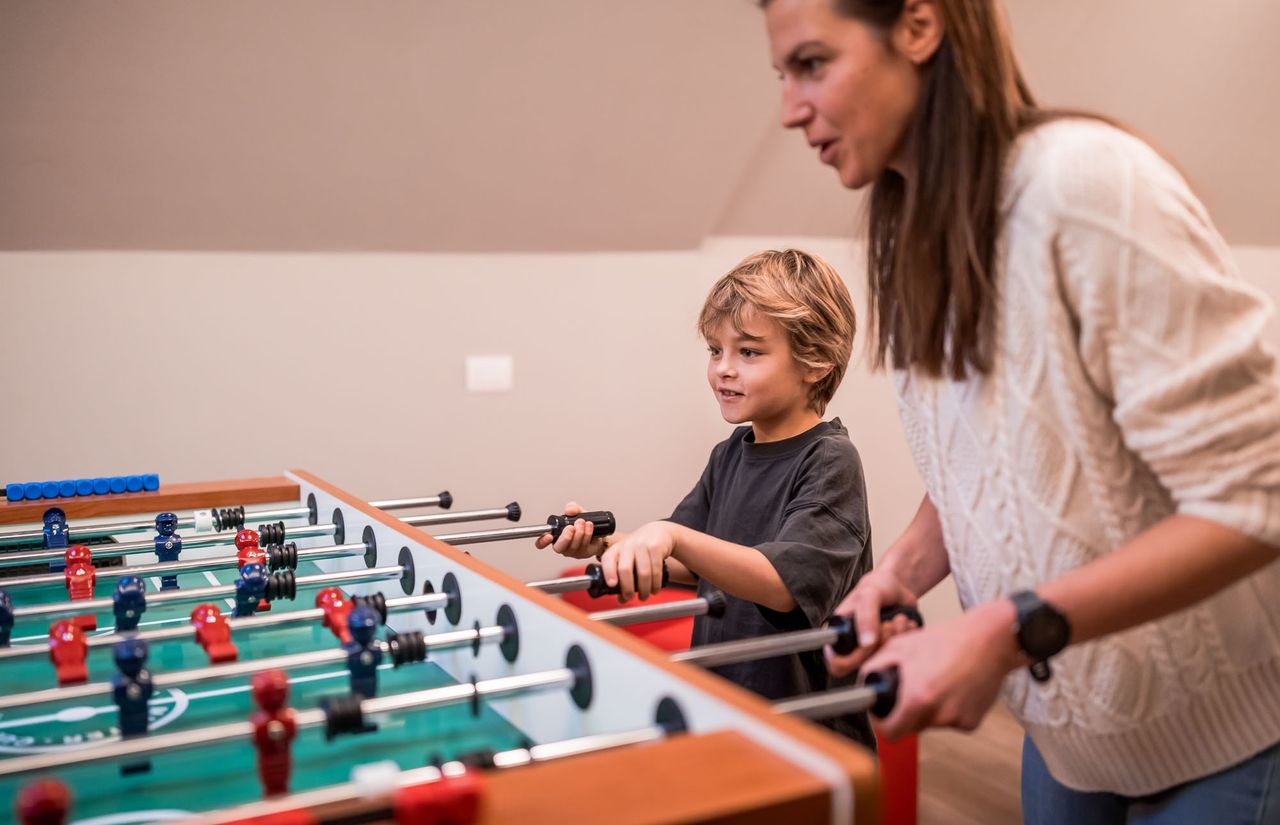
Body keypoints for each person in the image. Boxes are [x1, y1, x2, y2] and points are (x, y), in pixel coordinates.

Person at [760, 0, 1280, 821]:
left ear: (919, 27)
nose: (790, 108)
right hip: (1067, 736)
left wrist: (1003, 630)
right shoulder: (904, 230)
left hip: (1224, 736)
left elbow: (1257, 497)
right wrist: (898, 574)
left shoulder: (1087, 185)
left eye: (813, 64)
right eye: (783, 74)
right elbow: (990, 461)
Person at [540, 248, 876, 747]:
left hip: (804, 732)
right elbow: (690, 561)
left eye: (749, 353)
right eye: (715, 350)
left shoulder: (830, 461)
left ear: (816, 361)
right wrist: (607, 545)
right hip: (726, 705)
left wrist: (669, 535)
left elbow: (783, 584)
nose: (724, 369)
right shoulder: (730, 454)